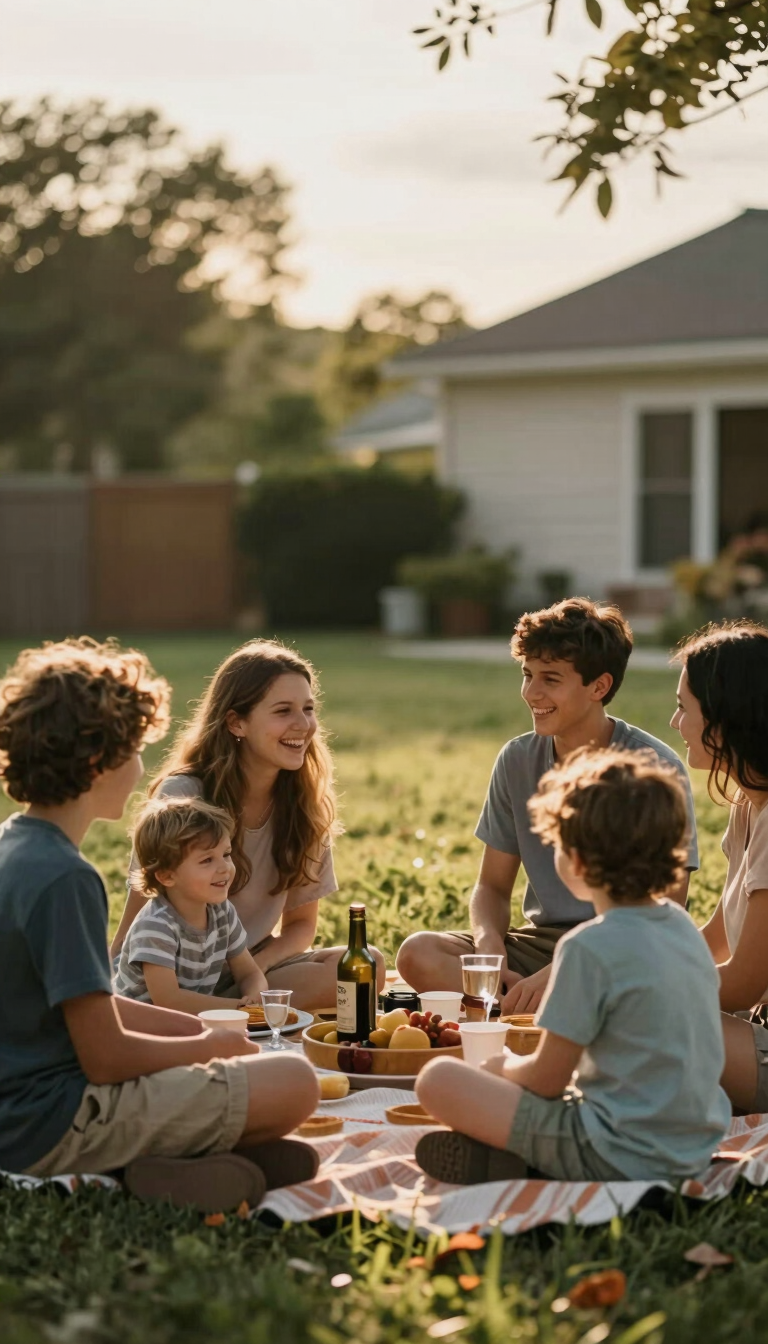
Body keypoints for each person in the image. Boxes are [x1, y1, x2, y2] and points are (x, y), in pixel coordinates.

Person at [0, 638, 319, 1210]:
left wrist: (200, 1033)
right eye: (137, 749)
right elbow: (106, 1057)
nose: (144, 767)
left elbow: (91, 1006)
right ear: (100, 762)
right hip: (50, 1122)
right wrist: (208, 1048)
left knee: (255, 1063)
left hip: (29, 1106)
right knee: (293, 1083)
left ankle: (173, 1168)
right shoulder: (64, 878)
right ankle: (125, 1169)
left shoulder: (16, 848)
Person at [415, 749, 730, 1185]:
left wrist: (501, 1067)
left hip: (615, 1152)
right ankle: (514, 1160)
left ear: (577, 862)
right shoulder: (681, 928)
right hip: (693, 1147)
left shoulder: (588, 947)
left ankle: (531, 1158)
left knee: (438, 1079)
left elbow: (546, 1079)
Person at [396, 598, 698, 1013]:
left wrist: (568, 967)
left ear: (599, 686)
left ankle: (539, 1017)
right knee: (419, 953)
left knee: (626, 986)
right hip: (542, 942)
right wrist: (490, 950)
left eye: (551, 679)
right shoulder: (517, 760)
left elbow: (668, 904)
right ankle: (533, 1015)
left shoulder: (654, 767)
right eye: (527, 675)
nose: (532, 693)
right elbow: (492, 887)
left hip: (626, 942)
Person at [111, 639, 386, 1010]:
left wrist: (253, 971)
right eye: (283, 711)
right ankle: (223, 1013)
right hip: (172, 978)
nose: (303, 725)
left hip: (249, 970)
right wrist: (109, 990)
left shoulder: (306, 804)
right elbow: (139, 911)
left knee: (368, 967)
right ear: (236, 722)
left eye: (308, 709)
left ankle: (239, 1011)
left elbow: (301, 926)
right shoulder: (184, 795)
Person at [671, 621, 768, 1114]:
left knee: (640, 1027)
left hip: (762, 1045)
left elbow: (745, 981)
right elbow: (719, 936)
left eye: (684, 707)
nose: (674, 722)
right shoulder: (748, 805)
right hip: (753, 1034)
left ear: (725, 719)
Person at [115, 797, 266, 1010]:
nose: (224, 867)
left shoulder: (222, 912)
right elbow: (169, 1001)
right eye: (207, 860)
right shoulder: (155, 926)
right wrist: (238, 1010)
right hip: (142, 1025)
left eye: (226, 854)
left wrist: (254, 996)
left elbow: (249, 973)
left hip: (189, 1020)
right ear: (167, 876)